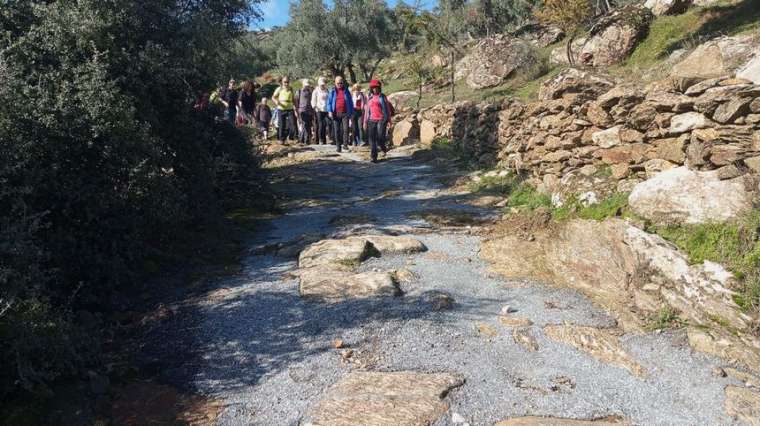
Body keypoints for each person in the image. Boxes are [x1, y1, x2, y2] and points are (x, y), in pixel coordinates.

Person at [363, 79, 391, 163]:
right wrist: (364, 122)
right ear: (371, 88)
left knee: (380, 137)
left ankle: (383, 148)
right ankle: (373, 157)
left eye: (377, 87)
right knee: (372, 139)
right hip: (371, 120)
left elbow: (387, 109)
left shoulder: (382, 97)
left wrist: (389, 120)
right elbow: (367, 111)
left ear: (379, 88)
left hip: (381, 119)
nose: (375, 89)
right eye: (373, 88)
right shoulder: (369, 97)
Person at [327, 76, 354, 153]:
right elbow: (329, 102)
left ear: (343, 83)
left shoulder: (346, 91)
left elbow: (350, 102)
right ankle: (338, 146)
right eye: (338, 83)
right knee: (337, 130)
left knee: (346, 129)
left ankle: (345, 145)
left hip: (345, 113)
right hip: (336, 113)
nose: (339, 84)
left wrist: (351, 112)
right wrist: (329, 111)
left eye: (341, 83)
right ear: (335, 83)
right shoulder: (332, 91)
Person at [272, 76, 297, 142]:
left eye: (287, 82)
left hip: (290, 108)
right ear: (282, 82)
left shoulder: (291, 89)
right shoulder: (279, 89)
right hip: (281, 108)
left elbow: (294, 99)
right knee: (282, 124)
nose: (286, 83)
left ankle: (291, 137)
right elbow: (273, 97)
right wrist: (276, 101)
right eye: (285, 82)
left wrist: (296, 109)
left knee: (293, 124)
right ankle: (281, 139)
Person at [311, 77, 330, 145]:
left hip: (326, 110)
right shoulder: (316, 91)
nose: (322, 85)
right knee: (320, 125)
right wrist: (315, 107)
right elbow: (313, 100)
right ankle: (320, 139)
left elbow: (328, 100)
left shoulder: (327, 90)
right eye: (321, 84)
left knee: (325, 125)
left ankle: (324, 139)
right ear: (319, 84)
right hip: (319, 110)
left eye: (323, 84)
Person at [295, 79, 314, 145]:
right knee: (304, 125)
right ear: (303, 84)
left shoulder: (310, 91)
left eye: (307, 85)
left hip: (310, 111)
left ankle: (305, 140)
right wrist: (296, 111)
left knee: (308, 125)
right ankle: (303, 140)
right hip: (302, 111)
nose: (307, 86)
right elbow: (296, 102)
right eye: (306, 85)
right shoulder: (299, 92)